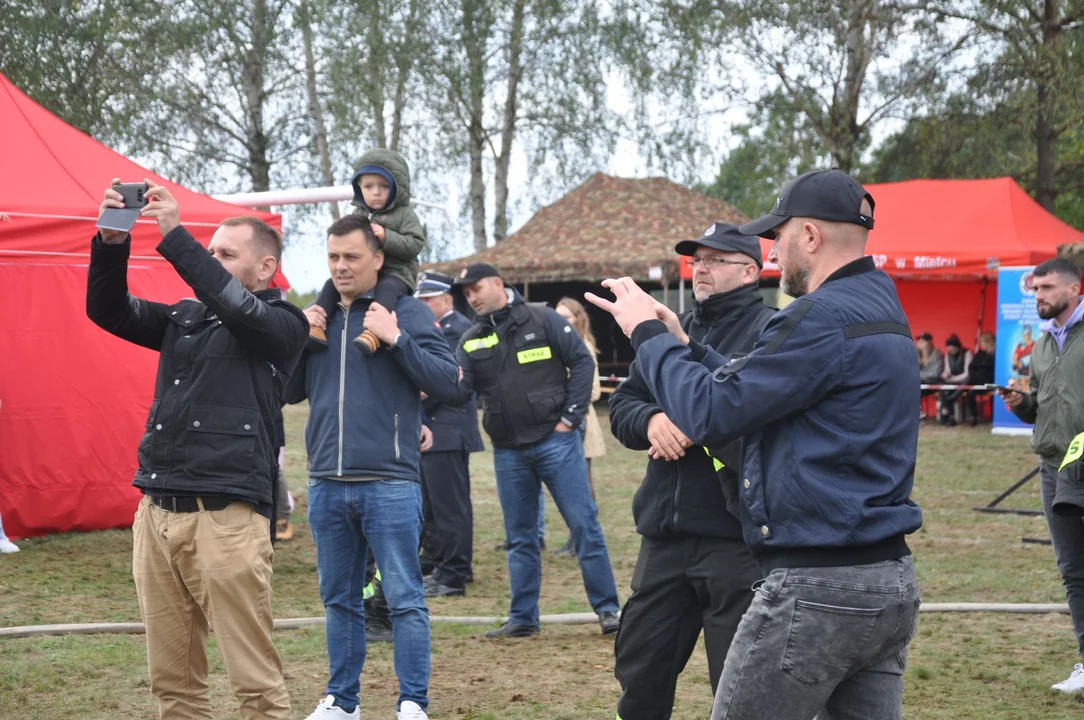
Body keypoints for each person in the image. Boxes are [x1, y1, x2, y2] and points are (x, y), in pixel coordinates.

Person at [587, 168, 923, 720]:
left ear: (810, 237)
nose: (775, 251)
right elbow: (755, 393)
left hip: (818, 584)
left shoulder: (819, 316)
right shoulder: (877, 306)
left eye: (779, 236)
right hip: (884, 577)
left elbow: (713, 412)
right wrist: (685, 346)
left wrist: (644, 332)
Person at [87, 179, 308, 719]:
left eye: (226, 254)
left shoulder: (283, 325)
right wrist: (112, 239)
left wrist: (175, 235)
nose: (211, 260)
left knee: (255, 687)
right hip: (157, 512)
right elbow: (107, 310)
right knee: (174, 687)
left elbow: (237, 307)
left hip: (226, 521)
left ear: (266, 268)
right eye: (209, 252)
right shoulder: (186, 319)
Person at [286, 213, 458, 720]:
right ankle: (342, 701)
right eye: (333, 257)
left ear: (378, 259)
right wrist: (300, 337)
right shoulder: (318, 315)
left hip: (390, 482)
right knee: (339, 600)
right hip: (327, 483)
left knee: (404, 598)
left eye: (352, 257)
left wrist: (397, 337)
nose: (341, 267)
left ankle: (412, 703)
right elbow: (289, 391)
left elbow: (449, 382)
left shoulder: (406, 311)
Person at [607, 223, 774, 720]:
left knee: (738, 680)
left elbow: (750, 410)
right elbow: (623, 404)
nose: (700, 267)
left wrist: (692, 418)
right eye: (696, 259)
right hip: (665, 534)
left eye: (714, 259)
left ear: (750, 271)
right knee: (640, 671)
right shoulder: (674, 326)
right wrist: (652, 419)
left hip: (735, 538)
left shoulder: (771, 333)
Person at [451, 263, 621, 637]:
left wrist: (570, 419)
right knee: (520, 537)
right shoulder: (471, 338)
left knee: (584, 526)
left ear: (498, 283)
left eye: (476, 288)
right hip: (509, 451)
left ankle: (609, 611)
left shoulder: (542, 318)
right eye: (466, 294)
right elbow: (459, 390)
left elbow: (581, 362)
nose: (472, 297)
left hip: (555, 442)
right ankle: (524, 618)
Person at [1000, 257, 1084, 694]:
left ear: (1074, 290)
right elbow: (1047, 405)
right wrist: (1024, 403)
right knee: (1072, 568)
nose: (1038, 296)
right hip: (1054, 466)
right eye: (1035, 290)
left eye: (1047, 288)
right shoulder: (1043, 345)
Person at [308, 149, 427, 356]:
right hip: (364, 274)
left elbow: (415, 243)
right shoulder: (359, 213)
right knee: (330, 285)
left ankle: (373, 332)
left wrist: (386, 237)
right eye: (369, 187)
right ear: (359, 189)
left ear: (397, 189)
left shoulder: (405, 214)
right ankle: (317, 323)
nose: (376, 192)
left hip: (396, 272)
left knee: (387, 289)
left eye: (384, 186)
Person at [414, 271, 485, 597]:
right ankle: (445, 564)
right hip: (436, 427)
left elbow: (449, 380)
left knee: (449, 507)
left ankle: (453, 573)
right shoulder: (438, 329)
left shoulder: (457, 330)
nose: (423, 305)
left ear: (446, 300)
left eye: (428, 299)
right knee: (435, 505)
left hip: (448, 427)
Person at [550, 297, 606, 557]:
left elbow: (593, 391)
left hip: (582, 423)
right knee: (572, 485)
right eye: (558, 316)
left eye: (567, 316)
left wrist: (564, 399)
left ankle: (584, 539)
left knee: (583, 485)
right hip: (567, 423)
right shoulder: (558, 346)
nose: (563, 321)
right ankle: (575, 539)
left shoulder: (583, 346)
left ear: (578, 318)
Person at [938, 334, 973, 426]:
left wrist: (954, 379)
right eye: (949, 348)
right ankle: (948, 416)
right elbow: (947, 370)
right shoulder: (947, 355)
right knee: (944, 389)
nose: (951, 350)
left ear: (958, 347)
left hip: (964, 380)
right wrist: (945, 375)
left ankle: (951, 400)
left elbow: (967, 373)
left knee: (966, 381)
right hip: (952, 381)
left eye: (953, 348)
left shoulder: (967, 353)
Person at [963, 331, 996, 425]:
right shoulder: (980, 353)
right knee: (970, 392)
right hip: (977, 380)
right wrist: (975, 373)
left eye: (983, 342)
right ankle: (974, 416)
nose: (981, 344)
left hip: (990, 381)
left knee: (969, 380)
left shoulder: (995, 355)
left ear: (989, 342)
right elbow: (971, 366)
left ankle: (954, 395)